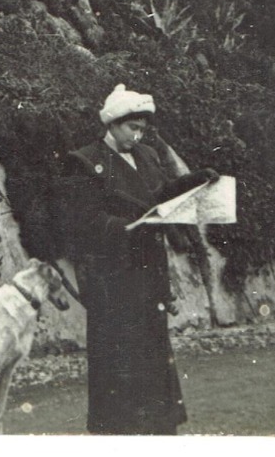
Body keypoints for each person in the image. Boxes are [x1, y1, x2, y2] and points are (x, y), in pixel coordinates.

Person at [59, 84, 216, 435]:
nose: (138, 135)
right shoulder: (84, 161)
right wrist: (125, 228)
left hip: (148, 271)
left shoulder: (146, 155)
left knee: (153, 353)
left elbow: (159, 195)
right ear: (113, 123)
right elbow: (80, 220)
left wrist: (195, 181)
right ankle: (119, 432)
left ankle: (159, 430)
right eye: (132, 127)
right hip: (113, 276)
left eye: (142, 129)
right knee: (118, 357)